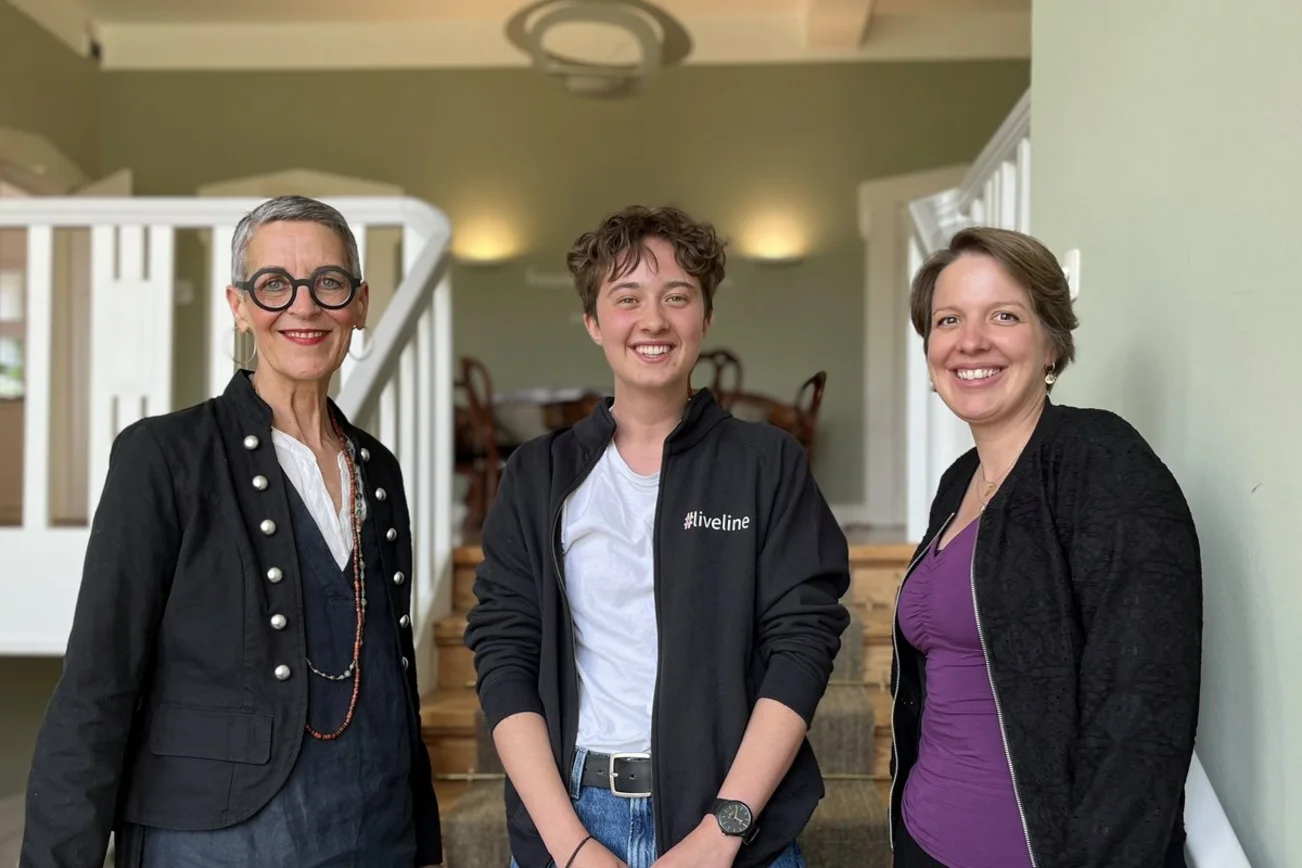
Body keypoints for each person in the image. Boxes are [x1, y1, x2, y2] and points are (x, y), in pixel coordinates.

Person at [21, 195, 442, 867]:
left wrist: (420, 837)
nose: (302, 308)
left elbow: (390, 667)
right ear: (239, 305)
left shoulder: (378, 470)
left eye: (328, 284)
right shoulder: (164, 456)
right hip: (213, 843)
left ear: (359, 305)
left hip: (373, 827)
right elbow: (96, 687)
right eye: (273, 285)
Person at [463, 205, 851, 868]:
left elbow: (802, 646)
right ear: (593, 321)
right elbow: (504, 655)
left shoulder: (767, 463)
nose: (653, 320)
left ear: (706, 317)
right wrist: (572, 847)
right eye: (626, 298)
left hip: (734, 822)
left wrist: (722, 830)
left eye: (678, 297)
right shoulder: (540, 473)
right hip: (576, 820)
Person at [889, 226, 1202, 868]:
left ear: (1051, 343)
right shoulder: (958, 482)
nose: (970, 341)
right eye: (949, 320)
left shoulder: (1100, 462)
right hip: (923, 838)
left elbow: (1144, 709)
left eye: (1003, 315)